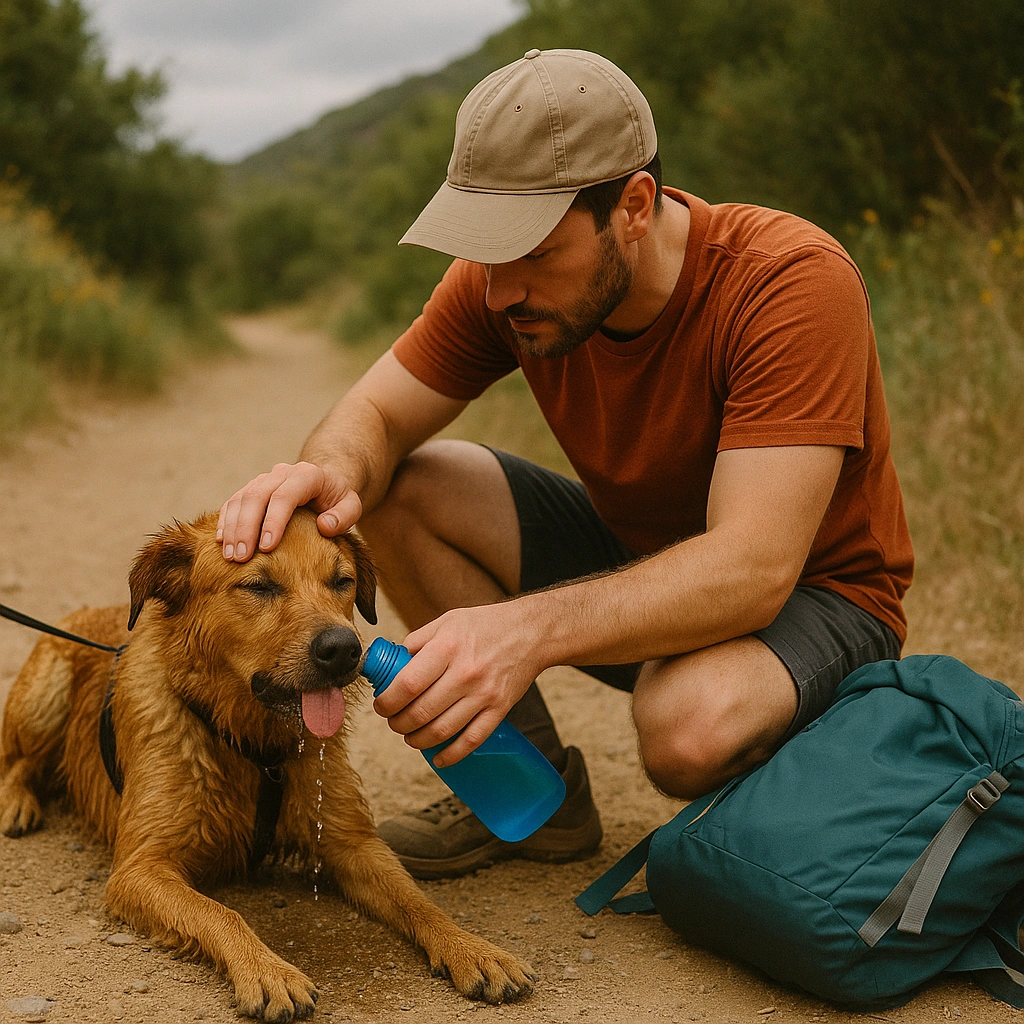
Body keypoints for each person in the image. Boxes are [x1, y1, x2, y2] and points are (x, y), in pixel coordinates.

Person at [217, 48, 913, 879]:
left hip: (816, 597)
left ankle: (820, 802)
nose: (503, 287)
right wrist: (332, 471)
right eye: (488, 250)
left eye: (533, 250)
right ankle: (534, 802)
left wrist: (523, 633)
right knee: (396, 483)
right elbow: (374, 414)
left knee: (684, 726)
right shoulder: (500, 285)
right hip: (647, 563)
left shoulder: (786, 282)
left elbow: (756, 566)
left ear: (634, 207)